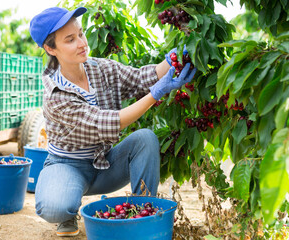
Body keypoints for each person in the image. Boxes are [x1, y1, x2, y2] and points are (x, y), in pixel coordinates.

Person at [29, 6, 197, 237]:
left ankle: (144, 211)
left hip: (106, 164)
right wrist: (156, 94)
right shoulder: (56, 96)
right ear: (50, 48)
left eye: (80, 33)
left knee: (145, 139)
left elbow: (141, 78)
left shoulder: (100, 68)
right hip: (68, 166)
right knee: (55, 206)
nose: (81, 43)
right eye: (70, 40)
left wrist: (176, 57)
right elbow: (110, 122)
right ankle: (67, 214)